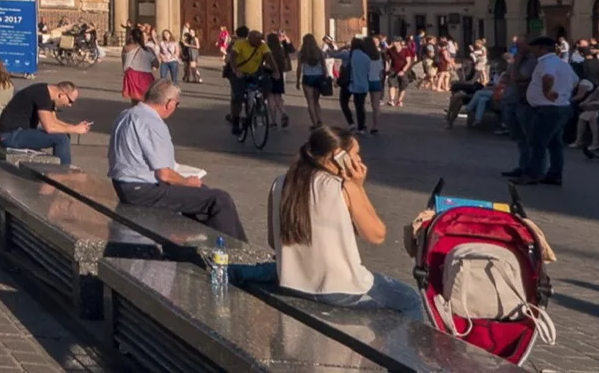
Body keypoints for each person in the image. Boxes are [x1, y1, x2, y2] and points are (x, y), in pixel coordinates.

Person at [268, 127, 420, 309]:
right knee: (410, 300)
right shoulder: (342, 187)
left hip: (293, 283)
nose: (359, 160)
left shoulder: (280, 182)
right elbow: (377, 235)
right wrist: (358, 187)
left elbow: (272, 240)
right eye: (355, 154)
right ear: (338, 155)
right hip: (340, 289)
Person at [109, 78, 246, 241]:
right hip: (143, 191)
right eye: (177, 104)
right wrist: (187, 181)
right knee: (219, 200)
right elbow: (164, 174)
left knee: (202, 194)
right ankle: (237, 254)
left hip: (124, 186)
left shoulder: (126, 114)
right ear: (169, 103)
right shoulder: (152, 123)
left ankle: (205, 246)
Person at [504, 33, 575, 187]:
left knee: (537, 142)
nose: (533, 51)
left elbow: (548, 78)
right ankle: (555, 174)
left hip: (548, 108)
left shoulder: (546, 62)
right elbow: (575, 81)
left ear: (542, 48)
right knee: (555, 143)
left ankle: (532, 174)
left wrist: (547, 93)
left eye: (535, 48)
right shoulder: (562, 63)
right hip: (561, 106)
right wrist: (563, 92)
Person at [0, 76, 92, 170]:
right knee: (61, 139)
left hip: (19, 132)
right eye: (70, 101)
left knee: (64, 135)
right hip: (9, 135)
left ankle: (62, 169)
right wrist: (75, 129)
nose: (69, 105)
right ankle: (64, 175)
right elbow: (50, 127)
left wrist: (74, 127)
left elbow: (55, 122)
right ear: (61, 94)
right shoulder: (42, 95)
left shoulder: (48, 94)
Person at [297, 33, 329, 128]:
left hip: (307, 77)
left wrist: (297, 81)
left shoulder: (302, 53)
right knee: (316, 101)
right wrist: (325, 76)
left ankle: (314, 123)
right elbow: (324, 66)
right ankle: (320, 121)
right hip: (318, 77)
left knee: (310, 102)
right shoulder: (319, 52)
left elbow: (299, 68)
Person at [122, 27, 159, 103]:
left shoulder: (127, 47)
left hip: (132, 74)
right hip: (146, 76)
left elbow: (124, 61)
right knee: (146, 100)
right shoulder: (149, 49)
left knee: (135, 101)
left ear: (131, 36)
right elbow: (156, 64)